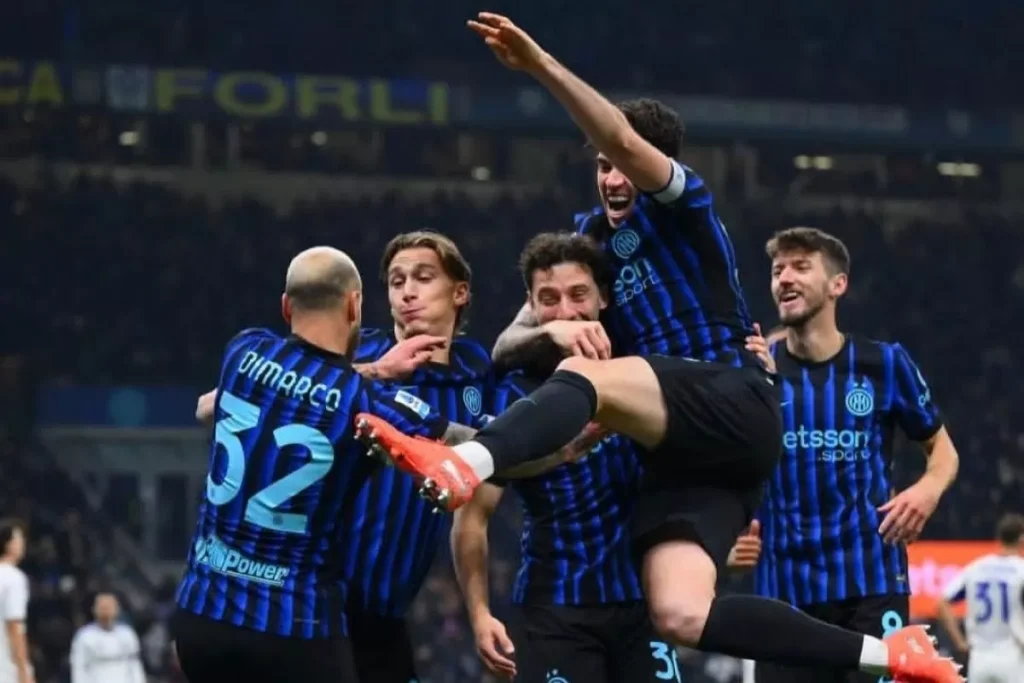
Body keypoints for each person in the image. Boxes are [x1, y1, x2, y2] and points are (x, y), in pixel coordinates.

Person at [353, 13, 962, 683]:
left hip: (730, 398)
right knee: (680, 612)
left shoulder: (684, 207)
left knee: (590, 377)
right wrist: (551, 330)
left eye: (622, 165)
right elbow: (505, 346)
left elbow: (617, 134)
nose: (611, 178)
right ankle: (893, 654)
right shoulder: (589, 243)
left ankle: (463, 459)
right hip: (688, 456)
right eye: (600, 167)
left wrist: (539, 66)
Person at [172, 247, 460, 683]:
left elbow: (214, 405)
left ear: (286, 306)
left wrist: (376, 369)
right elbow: (457, 439)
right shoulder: (364, 402)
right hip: (293, 630)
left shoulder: (242, 351)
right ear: (353, 305)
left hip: (200, 620)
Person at [734, 226, 960, 683]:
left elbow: (942, 450)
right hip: (784, 596)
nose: (784, 278)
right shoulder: (753, 371)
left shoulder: (884, 364)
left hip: (872, 585)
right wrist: (729, 539)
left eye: (801, 267)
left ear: (838, 284)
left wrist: (928, 490)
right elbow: (727, 467)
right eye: (777, 270)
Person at [452, 233, 675, 683]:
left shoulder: (641, 373)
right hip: (553, 608)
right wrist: (479, 614)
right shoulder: (511, 393)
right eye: (549, 299)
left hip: (642, 605)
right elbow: (473, 515)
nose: (567, 313)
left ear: (603, 298)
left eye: (578, 295)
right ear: (531, 307)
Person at [344, 231, 492, 683]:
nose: (407, 292)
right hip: (322, 605)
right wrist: (376, 372)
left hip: (388, 616)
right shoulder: (357, 352)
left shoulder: (476, 371)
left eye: (423, 278)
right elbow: (225, 399)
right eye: (396, 281)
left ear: (460, 292)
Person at [937, 514, 1024, 683]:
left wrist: (960, 643)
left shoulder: (977, 567)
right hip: (1013, 656)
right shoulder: (1021, 569)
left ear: (999, 538)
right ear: (1021, 539)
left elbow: (942, 603)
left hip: (979, 658)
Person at [70, 592, 146, 683]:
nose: (106, 612)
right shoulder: (84, 636)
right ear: (95, 610)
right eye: (102, 608)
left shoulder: (127, 634)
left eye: (109, 608)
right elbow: (78, 668)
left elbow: (135, 665)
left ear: (117, 610)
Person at [0, 520, 31, 683]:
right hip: (5, 667)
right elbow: (14, 627)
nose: (23, 543)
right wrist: (23, 670)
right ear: (8, 544)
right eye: (19, 539)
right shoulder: (13, 578)